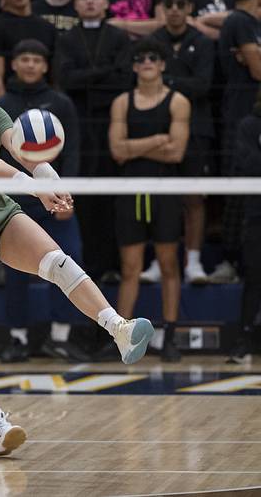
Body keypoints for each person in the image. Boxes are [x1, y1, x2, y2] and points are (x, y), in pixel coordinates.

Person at [0, 60, 154, 459]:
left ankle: (119, 329)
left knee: (57, 261)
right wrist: (36, 190)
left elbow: (21, 149)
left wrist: (51, 181)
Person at [0, 39, 88, 363]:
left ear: (45, 66)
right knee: (15, 270)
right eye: (24, 59)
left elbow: (72, 152)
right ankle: (18, 339)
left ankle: (60, 338)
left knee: (69, 260)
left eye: (36, 59)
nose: (31, 64)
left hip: (57, 200)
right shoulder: (2, 105)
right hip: (17, 202)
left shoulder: (60, 103)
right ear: (14, 64)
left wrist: (66, 196)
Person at [108, 38, 191, 363]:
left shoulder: (178, 101)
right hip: (130, 190)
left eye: (153, 58)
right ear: (133, 66)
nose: (146, 62)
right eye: (140, 58)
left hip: (164, 190)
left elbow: (177, 152)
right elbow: (117, 151)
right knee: (130, 267)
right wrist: (157, 139)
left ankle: (169, 337)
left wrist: (134, 147)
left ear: (162, 64)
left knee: (169, 264)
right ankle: (121, 337)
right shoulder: (122, 102)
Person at [54, 0, 132, 286]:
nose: (90, 1)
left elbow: (123, 80)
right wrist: (103, 74)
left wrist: (86, 80)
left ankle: (111, 264)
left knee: (111, 196)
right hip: (77, 125)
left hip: (114, 122)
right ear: (75, 4)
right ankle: (86, 265)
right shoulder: (67, 38)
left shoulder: (119, 37)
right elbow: (66, 80)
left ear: (106, 3)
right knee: (82, 196)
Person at [142, 0, 215, 285]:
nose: (174, 10)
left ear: (190, 8)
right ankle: (161, 261)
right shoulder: (153, 41)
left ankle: (193, 262)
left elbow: (203, 86)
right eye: (168, 4)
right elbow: (146, 84)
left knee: (194, 198)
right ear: (161, 8)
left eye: (180, 5)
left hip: (197, 130)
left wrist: (167, 81)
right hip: (158, 129)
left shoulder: (203, 42)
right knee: (161, 198)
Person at [214, 0, 261, 284]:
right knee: (237, 189)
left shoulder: (248, 22)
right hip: (239, 112)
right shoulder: (239, 21)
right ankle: (229, 260)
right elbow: (257, 70)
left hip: (249, 112)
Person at [227, 87, 261, 363]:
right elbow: (249, 164)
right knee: (254, 277)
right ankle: (245, 339)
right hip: (256, 213)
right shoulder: (250, 124)